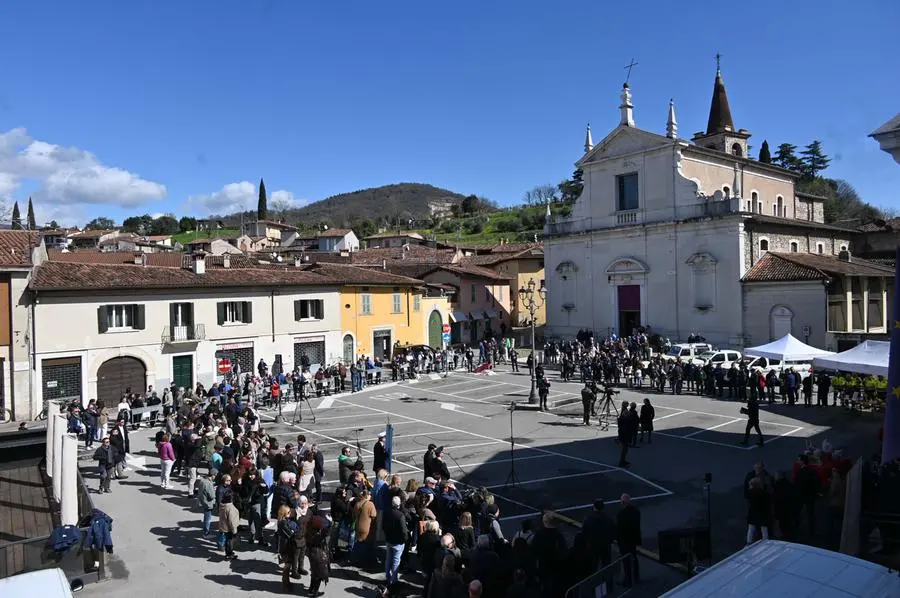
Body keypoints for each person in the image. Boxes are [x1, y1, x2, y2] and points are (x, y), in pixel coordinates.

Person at [381, 495, 408, 596]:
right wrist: (405, 539)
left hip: (389, 539)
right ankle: (393, 581)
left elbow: (383, 525)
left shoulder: (386, 512)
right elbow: (404, 531)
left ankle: (388, 576)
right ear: (399, 504)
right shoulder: (400, 515)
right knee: (396, 561)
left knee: (388, 558)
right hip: (398, 542)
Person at [616, 494, 641, 587]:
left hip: (624, 542)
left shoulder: (621, 514)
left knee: (626, 561)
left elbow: (619, 529)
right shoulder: (636, 511)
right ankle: (636, 577)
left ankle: (628, 579)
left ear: (622, 502)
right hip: (633, 540)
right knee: (634, 558)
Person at [617, 401, 631, 467]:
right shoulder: (624, 420)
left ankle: (623, 460)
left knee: (625, 449)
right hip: (624, 435)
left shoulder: (622, 415)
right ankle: (621, 461)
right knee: (624, 449)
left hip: (622, 434)